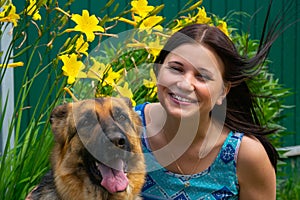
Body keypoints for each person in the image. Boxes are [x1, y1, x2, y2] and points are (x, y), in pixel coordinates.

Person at [134, 6, 285, 199]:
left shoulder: (246, 156)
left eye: (202, 76)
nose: (185, 84)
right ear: (157, 72)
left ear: (223, 91)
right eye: (176, 68)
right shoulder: (124, 131)